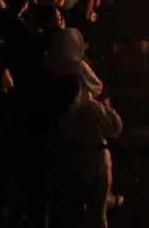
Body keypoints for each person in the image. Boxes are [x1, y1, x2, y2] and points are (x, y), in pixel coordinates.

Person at [53, 74, 122, 228]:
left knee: (75, 217)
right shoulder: (90, 107)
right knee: (98, 216)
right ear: (78, 92)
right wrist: (106, 107)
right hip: (97, 171)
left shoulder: (60, 117)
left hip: (71, 172)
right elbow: (116, 127)